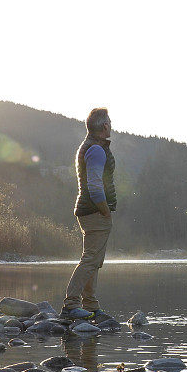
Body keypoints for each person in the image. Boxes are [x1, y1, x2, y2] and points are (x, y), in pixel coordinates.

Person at [60, 108, 117, 321]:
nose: (111, 125)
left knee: (93, 260)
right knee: (90, 259)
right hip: (95, 212)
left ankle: (91, 305)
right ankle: (71, 305)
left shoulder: (91, 147)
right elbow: (94, 186)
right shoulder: (96, 149)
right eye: (109, 122)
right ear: (104, 126)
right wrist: (105, 211)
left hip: (89, 211)